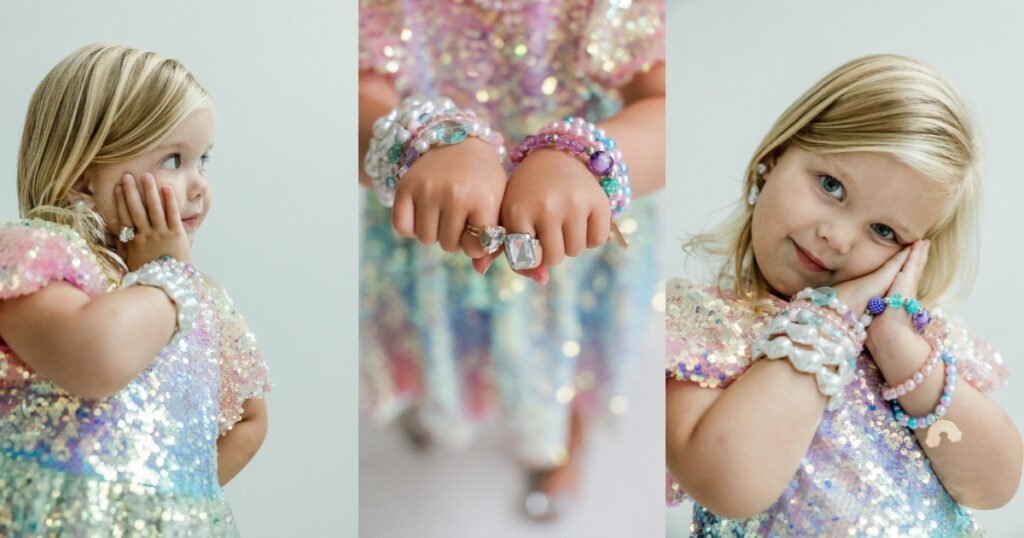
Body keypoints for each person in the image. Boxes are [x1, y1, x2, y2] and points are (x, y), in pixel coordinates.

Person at [665, 54, 1022, 535]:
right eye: (831, 186)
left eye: (883, 230)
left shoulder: (915, 344)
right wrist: (829, 320)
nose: (837, 237)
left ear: (913, 253)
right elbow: (732, 483)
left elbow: (993, 484)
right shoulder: (704, 324)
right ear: (775, 156)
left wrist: (898, 347)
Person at [359, 0, 665, 519]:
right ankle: (442, 394)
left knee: (564, 358)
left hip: (573, 247)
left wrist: (583, 159)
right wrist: (425, 140)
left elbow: (662, 106)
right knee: (438, 340)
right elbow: (362, 92)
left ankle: (564, 442)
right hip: (434, 239)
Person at [0, 44, 270, 535]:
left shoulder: (196, 296)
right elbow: (95, 358)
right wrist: (166, 272)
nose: (199, 186)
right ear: (83, 179)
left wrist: (164, 509)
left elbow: (250, 420)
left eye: (202, 160)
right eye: (173, 159)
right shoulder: (34, 254)